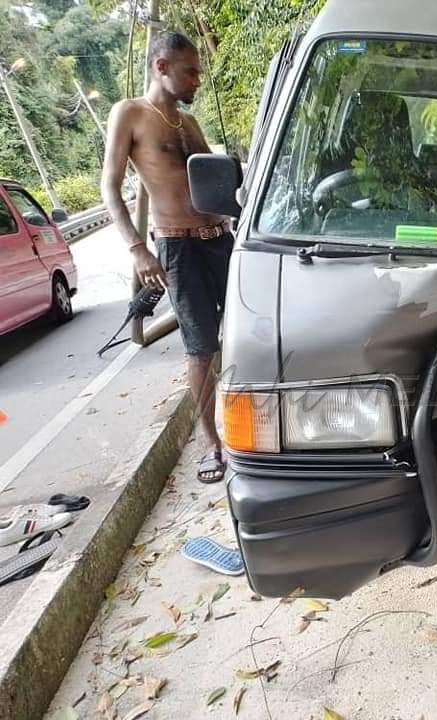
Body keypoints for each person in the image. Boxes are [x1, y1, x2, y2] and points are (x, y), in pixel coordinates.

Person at [101, 31, 230, 484]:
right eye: (189, 71)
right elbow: (109, 188)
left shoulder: (188, 124)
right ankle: (211, 443)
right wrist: (139, 250)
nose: (197, 79)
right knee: (201, 346)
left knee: (246, 329)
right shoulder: (131, 114)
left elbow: (218, 185)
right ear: (161, 66)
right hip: (176, 244)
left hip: (220, 238)